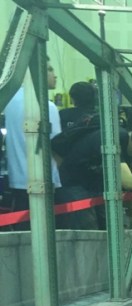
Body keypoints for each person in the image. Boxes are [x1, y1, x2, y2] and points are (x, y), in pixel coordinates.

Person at [3, 59, 61, 230]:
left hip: (17, 180)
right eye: (49, 69)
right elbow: (57, 147)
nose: (55, 75)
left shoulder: (9, 102)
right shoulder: (47, 106)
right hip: (43, 181)